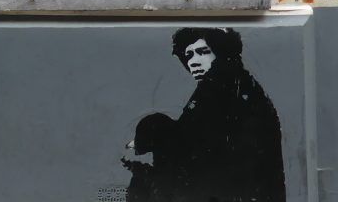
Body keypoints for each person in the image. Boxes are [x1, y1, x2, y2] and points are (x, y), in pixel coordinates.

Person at [122, 28, 286, 202]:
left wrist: (149, 137)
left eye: (203, 52)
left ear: (221, 52)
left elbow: (192, 145)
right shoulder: (228, 84)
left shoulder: (224, 85)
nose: (193, 62)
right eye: (189, 55)